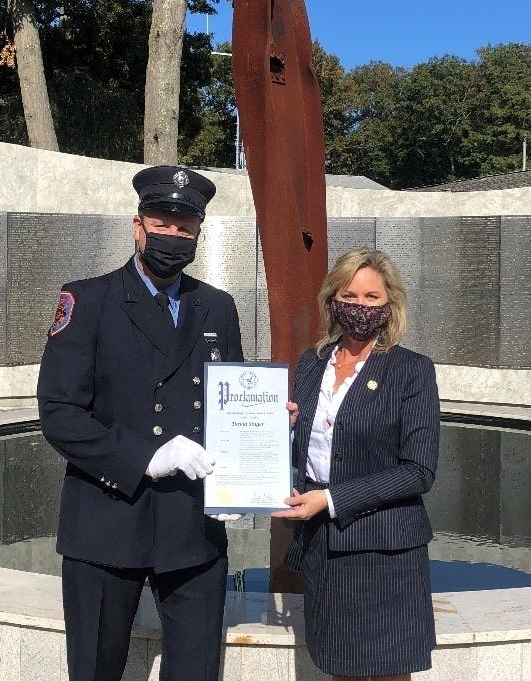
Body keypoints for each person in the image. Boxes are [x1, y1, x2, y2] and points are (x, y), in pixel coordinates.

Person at [37, 165, 244, 681]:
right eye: (162, 223)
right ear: (138, 226)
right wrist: (146, 457)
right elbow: (60, 413)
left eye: (184, 227)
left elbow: (231, 407)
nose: (173, 235)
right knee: (95, 670)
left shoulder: (216, 307)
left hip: (192, 526)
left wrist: (248, 461)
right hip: (107, 521)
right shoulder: (88, 300)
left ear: (197, 233)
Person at [273, 248, 440, 679]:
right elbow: (314, 449)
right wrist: (285, 431)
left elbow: (419, 470)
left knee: (388, 673)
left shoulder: (411, 370)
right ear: (333, 300)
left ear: (389, 304)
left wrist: (330, 499)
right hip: (325, 549)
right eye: (349, 296)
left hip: (385, 551)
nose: (360, 307)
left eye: (371, 297)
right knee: (339, 669)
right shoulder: (313, 363)